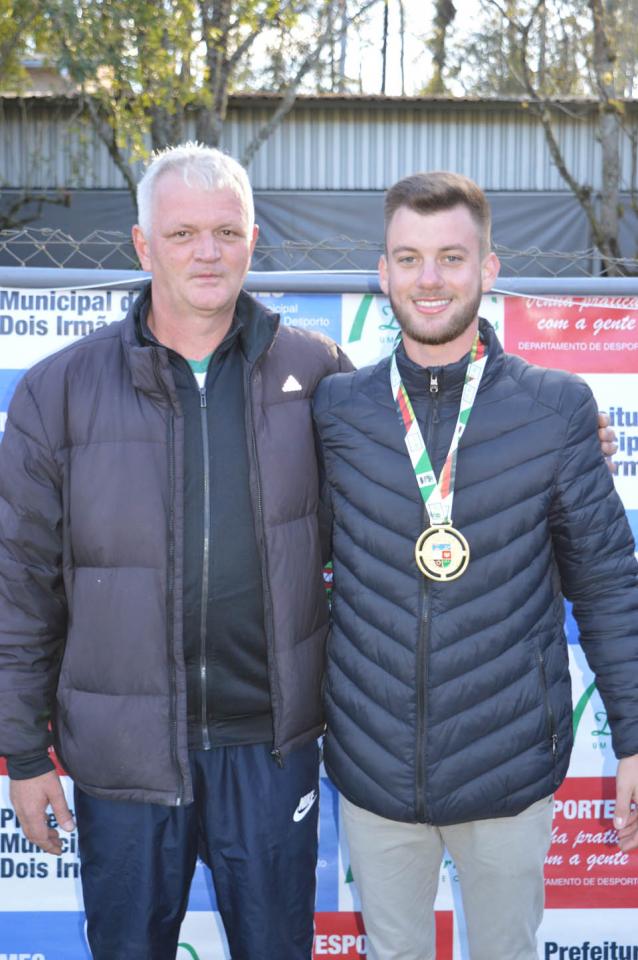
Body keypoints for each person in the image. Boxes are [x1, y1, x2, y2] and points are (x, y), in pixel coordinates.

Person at [0, 142, 352, 960]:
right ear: (142, 243)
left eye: (226, 232)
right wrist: (23, 752)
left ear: (253, 241)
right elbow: (19, 586)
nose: (207, 252)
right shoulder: (58, 391)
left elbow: (396, 504)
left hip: (270, 750)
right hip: (123, 760)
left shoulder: (320, 371)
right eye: (184, 232)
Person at [313, 171, 638, 960]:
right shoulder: (336, 411)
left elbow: (608, 585)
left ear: (489, 270)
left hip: (508, 768)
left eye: (452, 258)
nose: (430, 280)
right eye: (410, 258)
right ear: (381, 272)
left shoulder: (556, 409)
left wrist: (634, 739)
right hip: (375, 769)